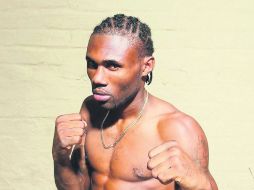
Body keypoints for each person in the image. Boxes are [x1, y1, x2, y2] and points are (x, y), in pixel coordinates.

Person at [52, 14, 218, 190]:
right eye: (92, 64)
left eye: (112, 66)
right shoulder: (90, 110)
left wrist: (199, 183)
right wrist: (60, 158)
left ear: (146, 67)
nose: (97, 78)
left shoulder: (179, 128)